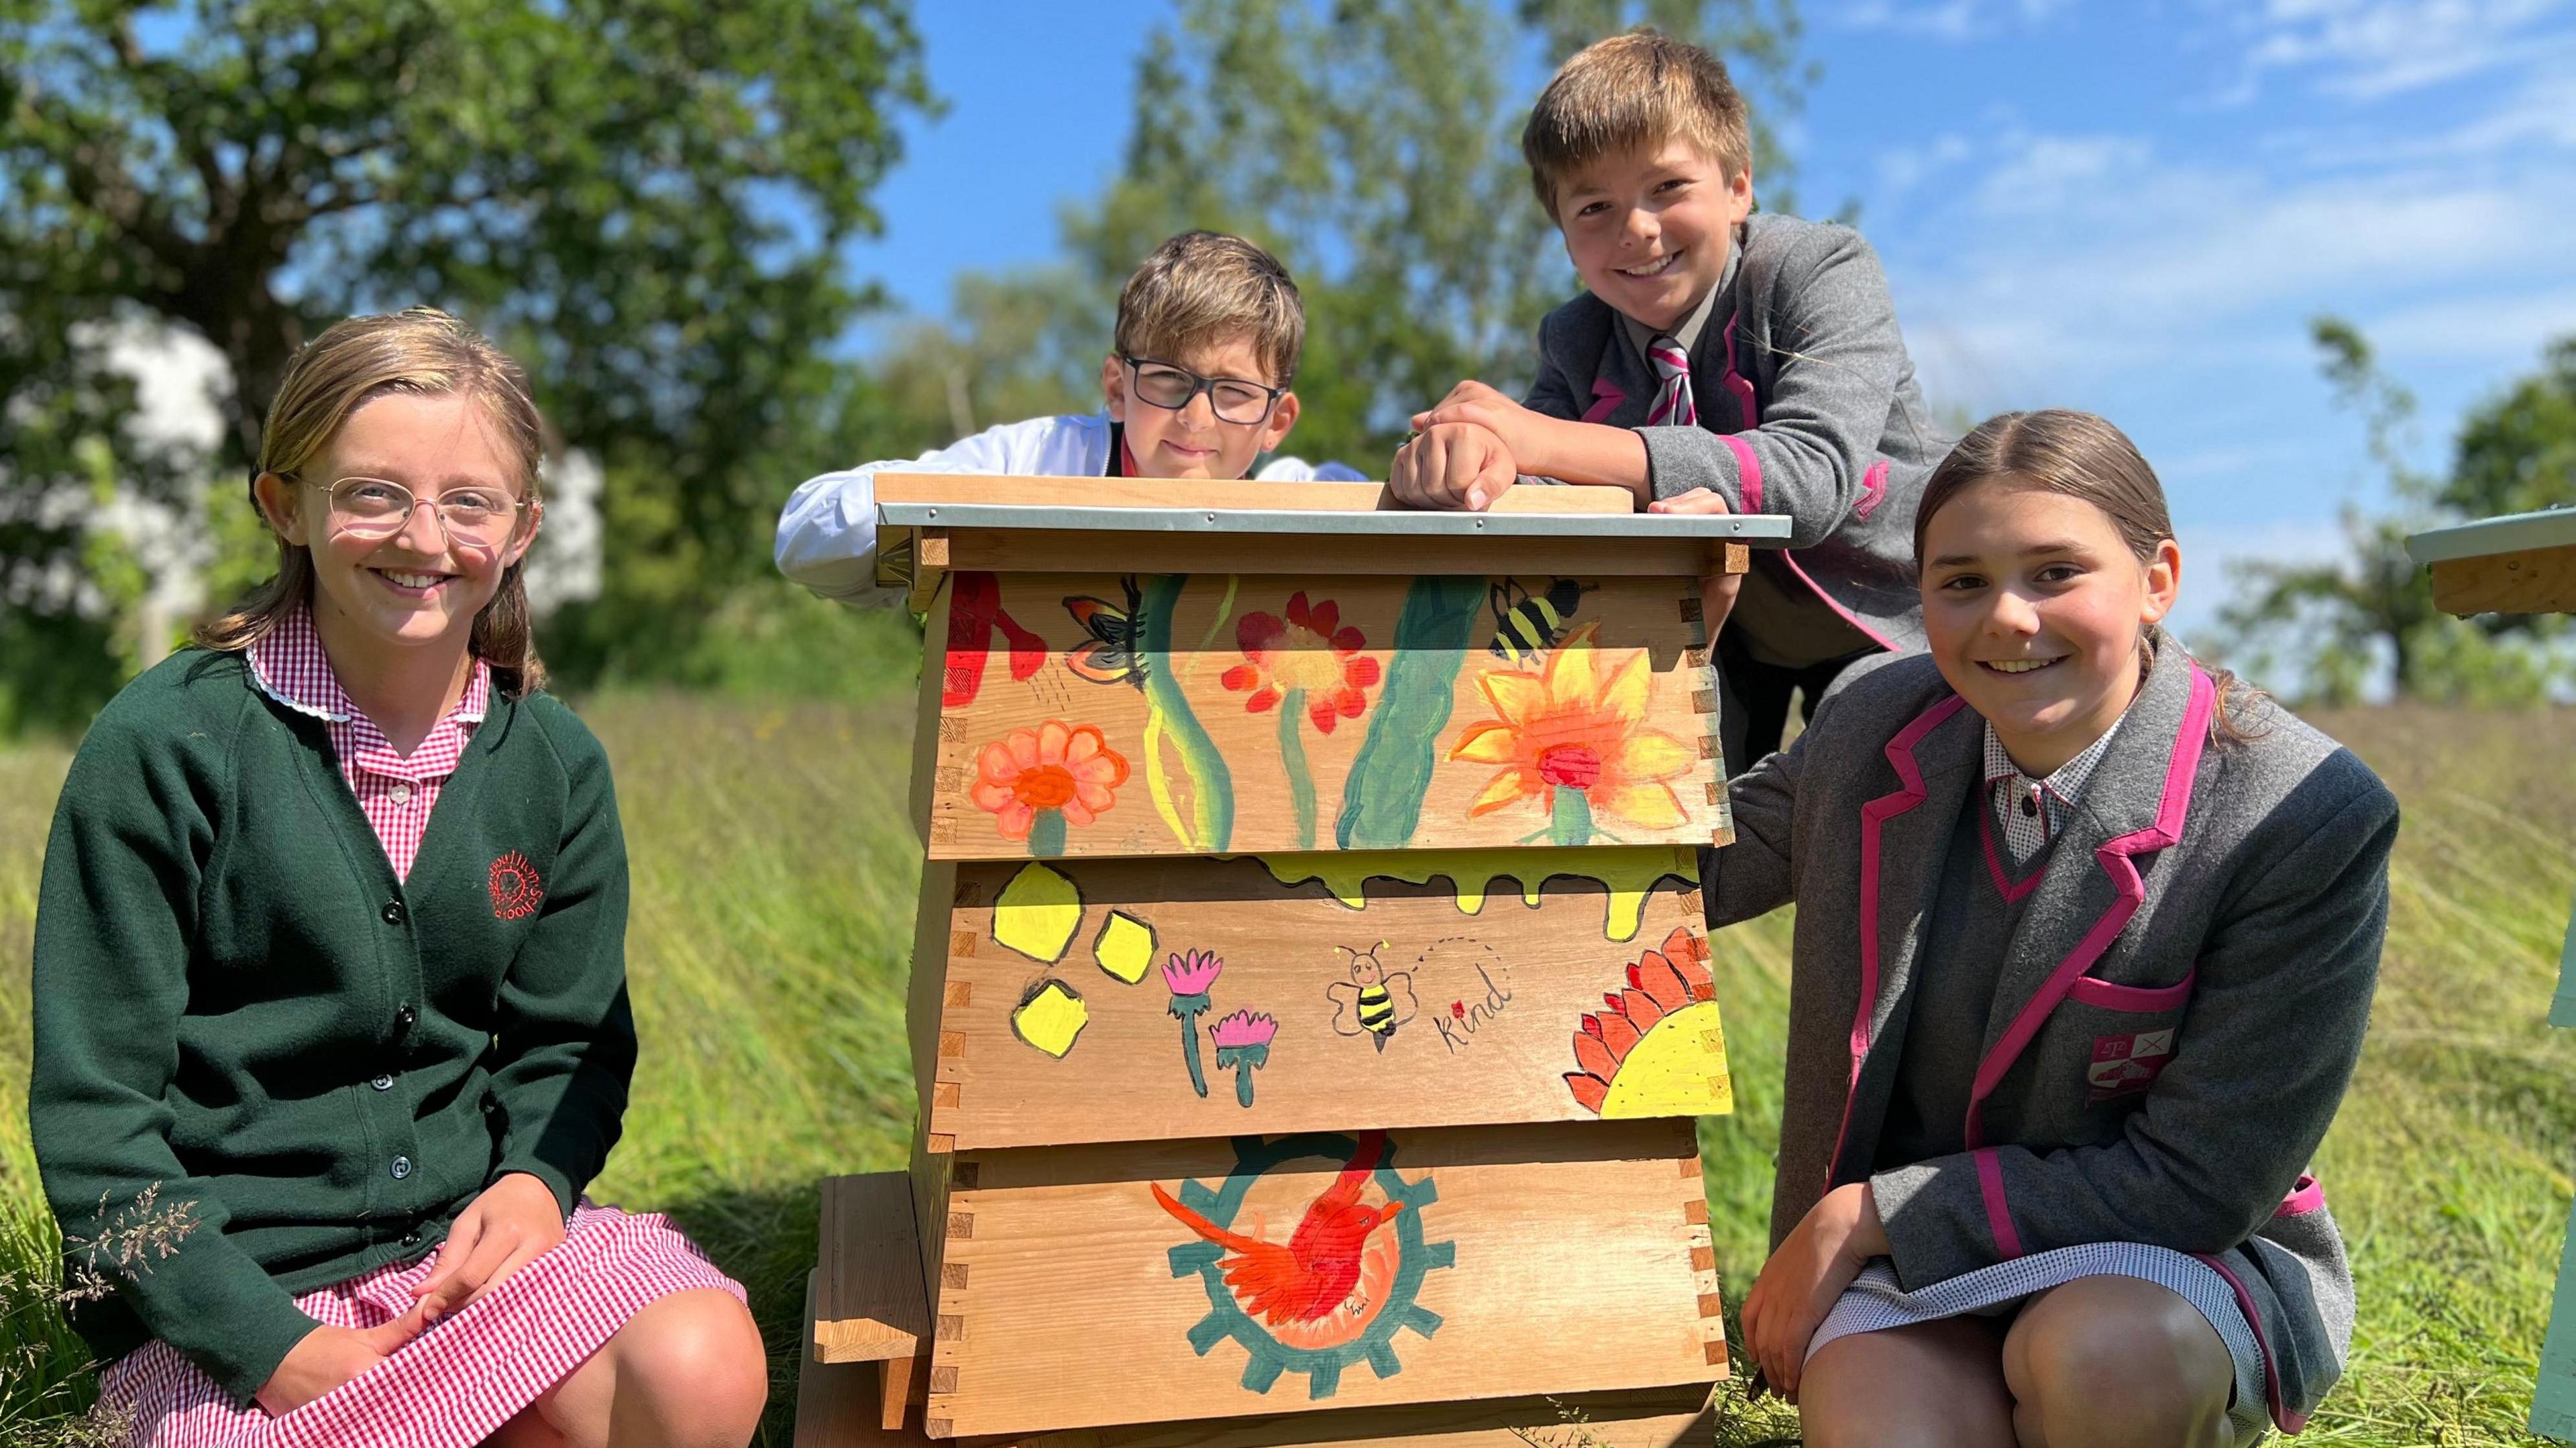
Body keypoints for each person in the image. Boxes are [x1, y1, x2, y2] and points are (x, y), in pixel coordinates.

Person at [31, 309, 769, 1448]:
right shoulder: (164, 743)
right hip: (229, 1289)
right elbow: (95, 1121)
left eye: (469, 500)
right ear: (287, 504)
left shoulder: (554, 761)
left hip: (469, 1254)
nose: (423, 536)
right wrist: (275, 1348)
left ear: (520, 527)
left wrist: (533, 1182)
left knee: (698, 1363)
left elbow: (567, 1042)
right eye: (372, 491)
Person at [1717, 410, 2395, 1447]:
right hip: (1912, 1270)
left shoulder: (2303, 811)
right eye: (1961, 582)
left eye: (2055, 571)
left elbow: (2199, 1181)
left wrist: (1872, 1213)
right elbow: (1689, 860)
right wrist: (1665, 637)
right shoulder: (1867, 722)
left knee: (2099, 1362)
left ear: (2158, 577)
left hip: (2166, 1252)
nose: (2007, 619)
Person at [1389, 29, 1945, 771]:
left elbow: (1810, 477)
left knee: (1861, 766)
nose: (1638, 230)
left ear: (1738, 186)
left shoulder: (1818, 269)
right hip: (1725, 626)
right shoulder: (1575, 340)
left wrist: (1539, 439)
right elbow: (1539, 491)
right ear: (1561, 230)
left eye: (1668, 188)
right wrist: (1469, 458)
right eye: (1594, 208)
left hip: (1892, 610)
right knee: (1658, 786)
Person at [777, 229, 1360, 606]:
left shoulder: (1303, 498)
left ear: (1277, 421)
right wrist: (982, 509)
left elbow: (1424, 522)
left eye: (1233, 393)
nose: (1196, 417)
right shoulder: (1040, 458)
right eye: (1168, 379)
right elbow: (805, 538)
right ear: (1116, 387)